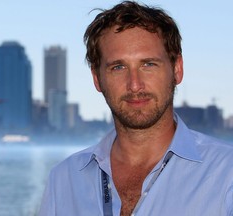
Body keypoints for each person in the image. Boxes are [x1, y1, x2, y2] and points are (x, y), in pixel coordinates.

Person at [39, 1, 233, 215]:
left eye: (148, 64)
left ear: (177, 70)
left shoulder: (226, 175)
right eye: (118, 67)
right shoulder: (64, 180)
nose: (134, 85)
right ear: (97, 79)